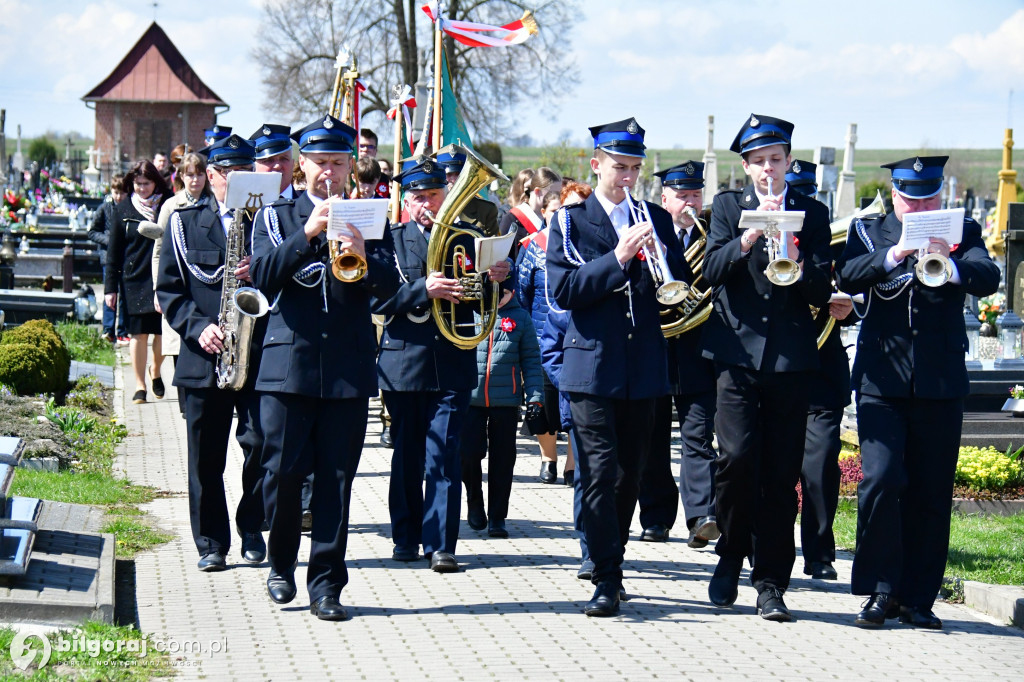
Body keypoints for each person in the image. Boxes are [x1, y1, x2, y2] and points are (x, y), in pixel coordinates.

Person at [835, 156, 999, 629]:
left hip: (940, 381)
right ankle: (880, 591)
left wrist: (949, 265)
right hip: (881, 382)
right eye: (911, 196)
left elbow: (988, 276)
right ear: (895, 193)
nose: (921, 204)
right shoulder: (869, 230)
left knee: (931, 491)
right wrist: (897, 253)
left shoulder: (963, 229)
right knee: (882, 481)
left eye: (929, 195)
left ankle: (918, 597)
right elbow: (848, 274)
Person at [250, 114, 400, 621]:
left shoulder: (367, 215)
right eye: (319, 163)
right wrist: (308, 234)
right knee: (282, 475)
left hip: (348, 369)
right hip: (287, 369)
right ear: (301, 165)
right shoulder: (275, 215)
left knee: (337, 481)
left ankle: (327, 586)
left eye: (338, 163)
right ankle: (280, 563)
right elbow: (263, 279)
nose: (328, 173)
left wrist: (365, 255)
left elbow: (391, 288)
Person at [546, 117, 691, 617]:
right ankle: (605, 576)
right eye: (617, 167)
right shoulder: (569, 220)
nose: (627, 177)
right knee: (601, 473)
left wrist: (665, 252)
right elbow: (564, 291)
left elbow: (678, 286)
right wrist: (619, 256)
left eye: (634, 168)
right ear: (596, 164)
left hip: (645, 367)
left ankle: (615, 557)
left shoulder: (656, 215)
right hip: (591, 368)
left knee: (630, 476)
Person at [700, 114, 832, 622]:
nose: (767, 170)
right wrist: (747, 241)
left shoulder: (813, 213)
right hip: (736, 355)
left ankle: (772, 580)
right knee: (735, 460)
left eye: (775, 160)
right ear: (746, 167)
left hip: (791, 359)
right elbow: (710, 271)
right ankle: (731, 553)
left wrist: (794, 255)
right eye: (758, 162)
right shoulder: (729, 208)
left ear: (788, 163)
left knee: (780, 474)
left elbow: (821, 289)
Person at [372, 157, 511, 573]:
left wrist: (496, 279)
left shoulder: (468, 240)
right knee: (408, 456)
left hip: (452, 361)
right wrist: (423, 289)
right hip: (404, 364)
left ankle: (440, 545)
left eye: (434, 195)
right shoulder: (391, 241)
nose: (428, 204)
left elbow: (488, 301)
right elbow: (378, 301)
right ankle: (405, 537)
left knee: (444, 454)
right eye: (419, 197)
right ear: (406, 200)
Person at [155, 134, 267, 574]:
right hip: (204, 357)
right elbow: (169, 289)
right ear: (214, 176)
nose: (241, 182)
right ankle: (211, 542)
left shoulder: (269, 223)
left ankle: (252, 528)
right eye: (232, 174)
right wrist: (198, 329)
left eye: (248, 173)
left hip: (258, 355)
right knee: (206, 457)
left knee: (260, 446)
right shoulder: (183, 222)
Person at [637, 161, 720, 548]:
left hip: (699, 350)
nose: (690, 202)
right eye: (682, 195)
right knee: (651, 438)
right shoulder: (649, 228)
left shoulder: (712, 234)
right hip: (655, 346)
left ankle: (701, 515)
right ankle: (656, 517)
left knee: (698, 436)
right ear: (664, 197)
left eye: (695, 194)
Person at [785, 159, 851, 582]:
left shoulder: (833, 241)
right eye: (797, 191)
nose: (803, 199)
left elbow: (854, 292)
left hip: (822, 368)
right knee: (774, 466)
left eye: (808, 191)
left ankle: (819, 552)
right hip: (777, 370)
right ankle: (766, 545)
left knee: (822, 463)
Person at [515, 181, 590, 486]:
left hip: (579, 337)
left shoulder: (592, 246)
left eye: (577, 208)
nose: (568, 214)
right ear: (548, 212)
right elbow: (522, 293)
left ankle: (573, 464)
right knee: (543, 402)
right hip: (540, 336)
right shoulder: (534, 246)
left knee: (575, 404)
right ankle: (549, 459)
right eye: (562, 208)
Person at [460, 286, 544, 538]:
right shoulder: (469, 313)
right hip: (470, 399)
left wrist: (535, 397)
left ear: (513, 292)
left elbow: (531, 359)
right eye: (491, 292)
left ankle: (498, 516)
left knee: (503, 460)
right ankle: (474, 500)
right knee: (468, 454)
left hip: (506, 400)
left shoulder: (521, 318)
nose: (496, 299)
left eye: (503, 293)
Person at [105, 160, 171, 404]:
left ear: (156, 182)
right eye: (138, 184)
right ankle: (140, 385)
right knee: (138, 334)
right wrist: (110, 289)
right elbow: (114, 252)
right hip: (134, 279)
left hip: (164, 275)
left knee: (162, 333)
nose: (142, 188)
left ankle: (156, 370)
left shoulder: (168, 203)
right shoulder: (123, 210)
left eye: (147, 183)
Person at [151, 152, 212, 371]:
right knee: (179, 346)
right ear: (182, 177)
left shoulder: (215, 203)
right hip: (179, 281)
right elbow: (159, 251)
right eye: (190, 175)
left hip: (207, 283)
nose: (195, 180)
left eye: (199, 174)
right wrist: (158, 289)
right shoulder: (171, 206)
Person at [88, 175, 128, 344]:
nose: (119, 196)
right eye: (116, 192)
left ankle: (123, 330)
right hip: (108, 258)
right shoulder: (105, 208)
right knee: (110, 294)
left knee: (124, 296)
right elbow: (92, 232)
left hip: (126, 257)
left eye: (122, 193)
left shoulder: (129, 208)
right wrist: (108, 240)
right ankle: (108, 329)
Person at [436, 148, 500, 235]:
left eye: (459, 174)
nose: (454, 180)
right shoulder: (430, 206)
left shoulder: (485, 211)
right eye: (449, 174)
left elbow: (492, 246)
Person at [502, 167, 562, 253]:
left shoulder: (555, 215)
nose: (557, 196)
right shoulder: (511, 219)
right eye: (553, 192)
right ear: (537, 192)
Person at [249, 124, 296, 200]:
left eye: (283, 159)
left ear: (293, 164)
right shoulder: (243, 208)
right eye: (268, 160)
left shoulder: (313, 205)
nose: (277, 166)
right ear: (253, 168)